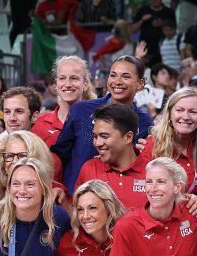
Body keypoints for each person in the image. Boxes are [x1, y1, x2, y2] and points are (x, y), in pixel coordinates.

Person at [53, 55, 154, 191]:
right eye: (113, 75)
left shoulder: (144, 122)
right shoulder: (81, 110)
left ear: (140, 84)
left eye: (125, 77)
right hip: (76, 199)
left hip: (117, 198)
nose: (117, 82)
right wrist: (57, 188)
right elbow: (59, 154)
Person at [140, 88, 197, 205]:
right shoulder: (152, 145)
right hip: (165, 220)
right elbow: (144, 191)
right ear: (169, 114)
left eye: (193, 112)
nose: (185, 116)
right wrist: (186, 199)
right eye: (179, 110)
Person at [75, 103, 148, 212]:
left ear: (128, 137)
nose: (97, 143)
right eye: (95, 136)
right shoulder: (89, 169)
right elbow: (77, 215)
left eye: (104, 136)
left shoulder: (152, 172)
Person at [33, 56, 93, 148]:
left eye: (74, 78)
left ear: (85, 85)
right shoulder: (40, 124)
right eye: (62, 78)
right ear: (56, 85)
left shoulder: (96, 122)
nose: (68, 84)